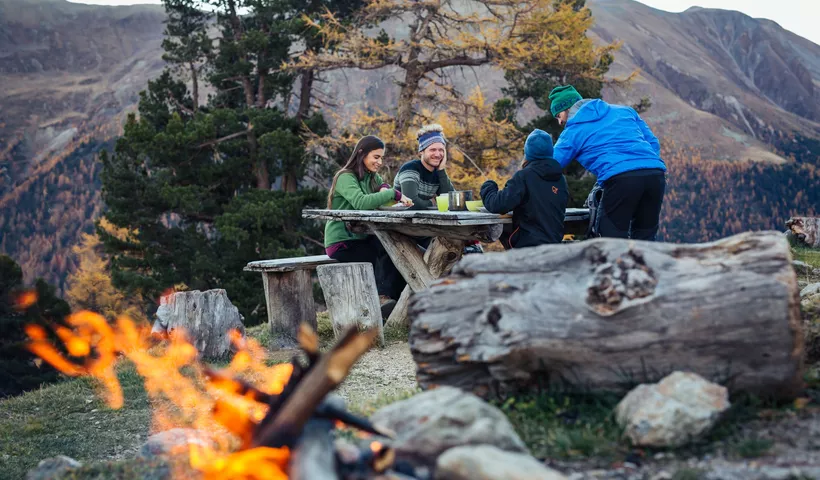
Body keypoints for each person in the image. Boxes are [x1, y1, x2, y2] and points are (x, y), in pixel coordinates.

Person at [549, 84, 667, 241]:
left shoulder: (572, 132)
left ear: (566, 108)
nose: (559, 121)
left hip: (621, 180)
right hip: (655, 176)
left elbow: (551, 165)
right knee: (645, 239)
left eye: (558, 116)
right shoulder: (625, 111)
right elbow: (653, 143)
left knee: (610, 238)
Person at [324, 135, 412, 315]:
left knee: (396, 249)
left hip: (363, 237)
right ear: (361, 154)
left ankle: (397, 303)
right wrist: (393, 194)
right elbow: (361, 202)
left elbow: (384, 188)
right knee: (376, 254)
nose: (380, 162)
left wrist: (385, 188)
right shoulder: (345, 177)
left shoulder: (372, 177)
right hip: (342, 242)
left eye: (381, 157)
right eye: (376, 157)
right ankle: (381, 301)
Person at [394, 123, 482, 253]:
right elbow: (411, 202)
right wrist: (432, 204)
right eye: (432, 150)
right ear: (421, 151)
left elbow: (455, 202)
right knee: (449, 246)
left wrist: (441, 171)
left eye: (441, 150)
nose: (438, 154)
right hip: (402, 228)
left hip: (422, 226)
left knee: (462, 244)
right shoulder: (410, 169)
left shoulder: (437, 173)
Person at [479, 129, 569, 249]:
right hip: (554, 245)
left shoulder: (524, 177)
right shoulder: (560, 179)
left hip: (528, 247)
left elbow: (498, 205)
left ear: (528, 153)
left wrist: (488, 186)